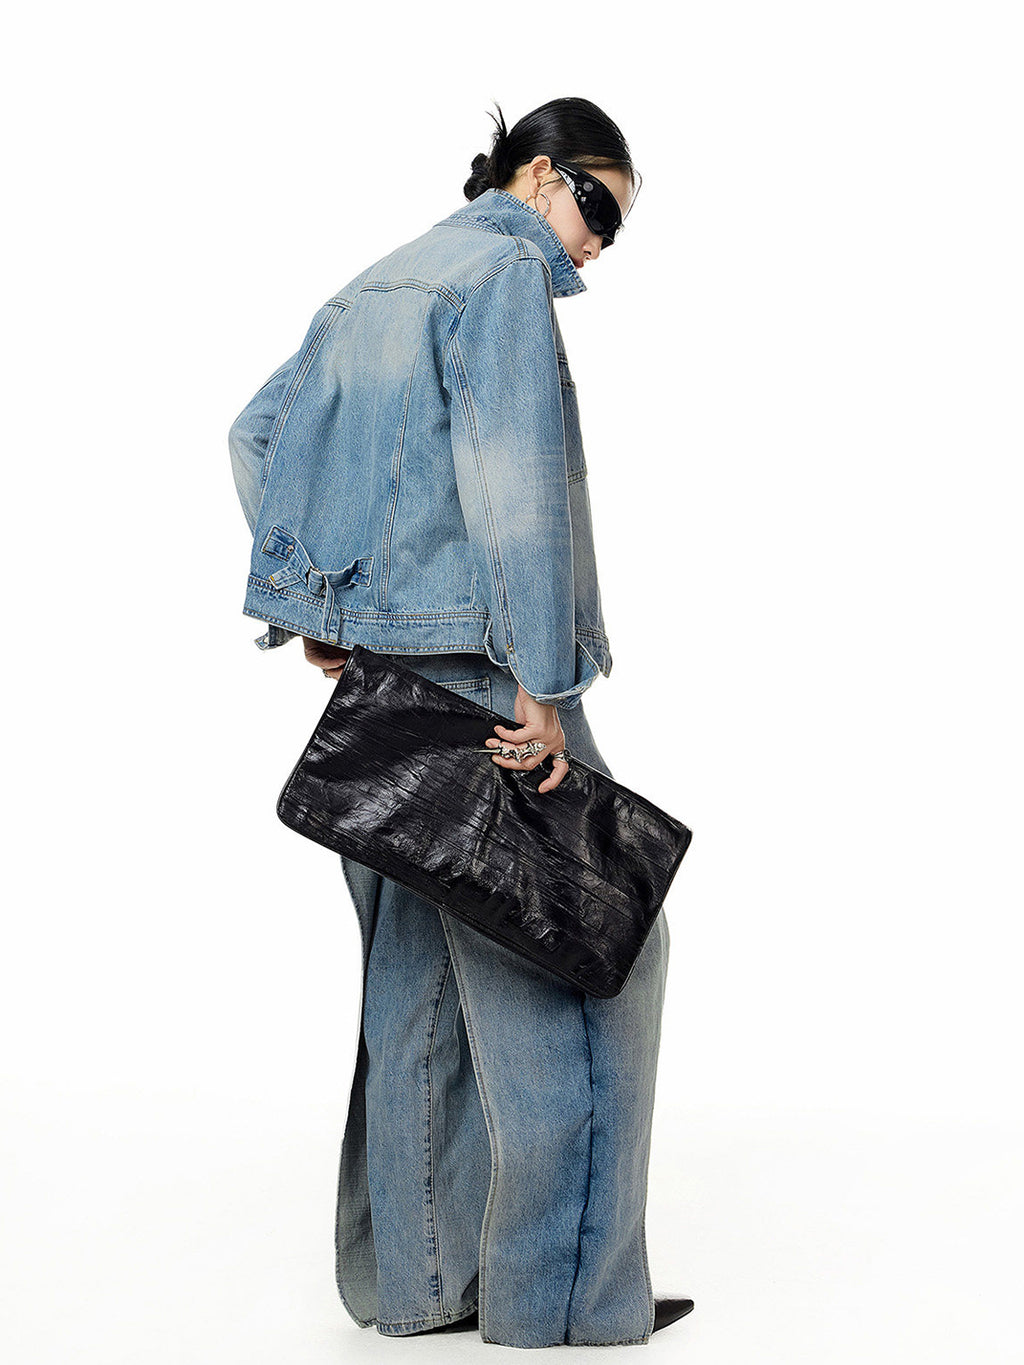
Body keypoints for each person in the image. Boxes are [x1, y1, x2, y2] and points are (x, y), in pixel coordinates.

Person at [228, 96, 694, 1348]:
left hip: (385, 688)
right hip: (493, 677)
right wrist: (542, 680)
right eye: (595, 209)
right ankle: (563, 1302)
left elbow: (258, 432)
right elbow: (514, 485)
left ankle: (422, 1286)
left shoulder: (375, 283)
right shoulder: (499, 278)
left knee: (419, 974)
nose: (596, 243)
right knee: (592, 957)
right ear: (537, 175)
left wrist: (321, 603)